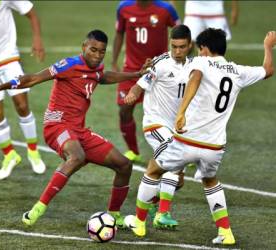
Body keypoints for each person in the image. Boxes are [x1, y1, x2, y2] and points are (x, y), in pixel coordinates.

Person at [0, 30, 151, 228]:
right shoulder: (69, 65)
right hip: (57, 125)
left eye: (101, 52)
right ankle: (38, 208)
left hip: (79, 130)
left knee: (124, 165)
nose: (97, 55)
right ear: (83, 47)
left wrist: (136, 74)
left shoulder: (97, 68)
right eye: (93, 50)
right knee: (77, 156)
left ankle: (114, 215)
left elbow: (103, 76)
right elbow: (32, 79)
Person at [124, 28, 276, 245]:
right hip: (214, 147)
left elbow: (195, 77)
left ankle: (138, 223)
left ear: (203, 48)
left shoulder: (201, 63)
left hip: (187, 140)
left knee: (153, 169)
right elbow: (268, 70)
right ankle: (226, 232)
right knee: (211, 181)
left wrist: (181, 112)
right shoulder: (237, 71)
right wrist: (268, 47)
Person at [124, 24, 193, 229]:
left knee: (177, 180)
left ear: (190, 45)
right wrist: (132, 94)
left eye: (182, 47)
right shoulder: (161, 63)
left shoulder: (196, 66)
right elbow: (141, 84)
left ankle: (153, 204)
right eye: (174, 47)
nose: (177, 51)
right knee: (172, 153)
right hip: (155, 123)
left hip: (176, 127)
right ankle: (160, 214)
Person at [0, 1, 46, 180]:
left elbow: (31, 13)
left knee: (22, 105)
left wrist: (37, 40)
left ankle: (33, 151)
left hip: (8, 60)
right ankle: (9, 155)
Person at [112, 0, 181, 163]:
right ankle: (133, 151)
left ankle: (183, 149)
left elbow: (181, 34)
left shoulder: (166, 9)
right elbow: (119, 33)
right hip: (131, 70)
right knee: (124, 110)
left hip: (160, 70)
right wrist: (114, 61)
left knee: (172, 113)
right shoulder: (124, 8)